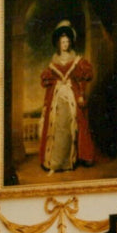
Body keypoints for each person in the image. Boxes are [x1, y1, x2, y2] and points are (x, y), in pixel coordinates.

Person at [39, 20, 94, 174]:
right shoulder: (53, 63)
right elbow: (47, 83)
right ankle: (55, 163)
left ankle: (69, 162)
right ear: (58, 43)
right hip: (57, 99)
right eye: (63, 41)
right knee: (56, 128)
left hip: (71, 98)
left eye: (67, 41)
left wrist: (81, 94)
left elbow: (83, 79)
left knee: (71, 127)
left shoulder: (77, 61)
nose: (65, 44)